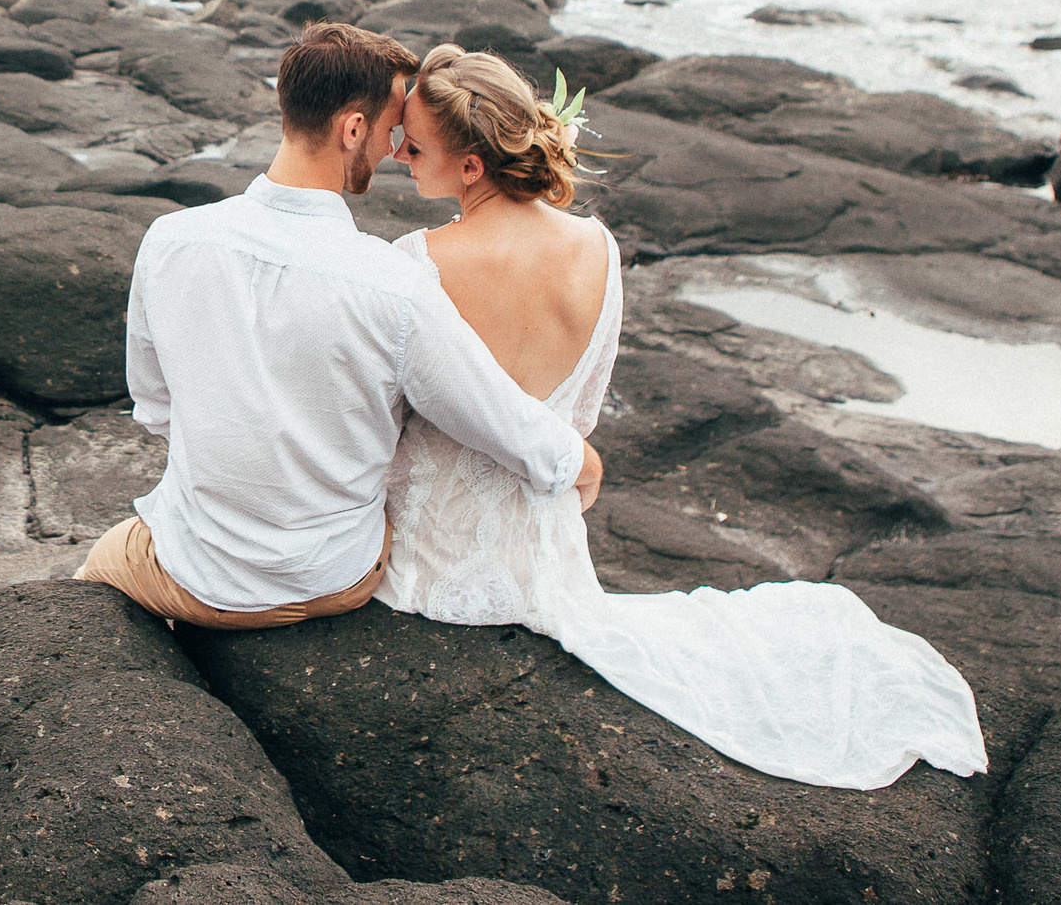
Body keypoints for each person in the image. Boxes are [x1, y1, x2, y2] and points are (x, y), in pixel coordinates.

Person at [373, 43, 988, 791]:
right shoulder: (596, 246)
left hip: (426, 576)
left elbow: (391, 419)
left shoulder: (415, 261)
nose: (399, 154)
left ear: (471, 167)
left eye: (414, 144)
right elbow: (583, 413)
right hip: (545, 564)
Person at [78, 21, 601, 629]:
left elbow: (154, 407)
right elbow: (495, 418)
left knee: (93, 578)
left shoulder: (169, 240)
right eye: (388, 131)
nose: (392, 149)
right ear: (353, 128)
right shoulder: (394, 285)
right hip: (330, 579)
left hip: (189, 567)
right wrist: (583, 465)